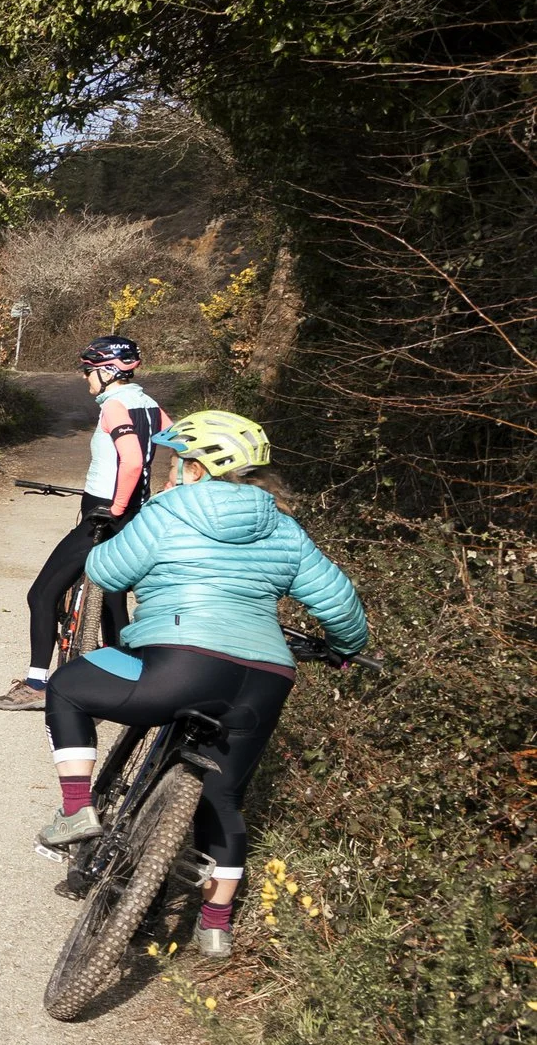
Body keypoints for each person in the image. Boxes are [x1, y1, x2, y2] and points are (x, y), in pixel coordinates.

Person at [32, 410, 366, 957]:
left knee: (67, 687)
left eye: (175, 462)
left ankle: (76, 809)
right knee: (225, 795)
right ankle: (215, 923)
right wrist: (345, 649)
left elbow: (106, 573)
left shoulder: (171, 510)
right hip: (265, 679)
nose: (169, 472)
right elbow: (341, 604)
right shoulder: (284, 527)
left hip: (180, 665)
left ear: (195, 468)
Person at [0, 336, 170, 711]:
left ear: (108, 371)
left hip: (104, 516)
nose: (85, 378)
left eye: (89, 371)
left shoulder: (115, 407)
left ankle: (37, 684)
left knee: (41, 594)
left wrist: (116, 507)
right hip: (135, 516)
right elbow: (181, 443)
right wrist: (169, 491)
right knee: (113, 600)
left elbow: (133, 461)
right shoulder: (149, 405)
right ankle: (128, 682)